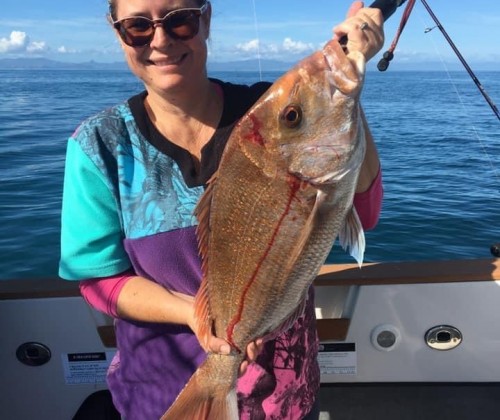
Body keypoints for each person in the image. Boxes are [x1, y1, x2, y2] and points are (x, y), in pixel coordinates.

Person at [59, 0, 384, 418]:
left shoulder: (262, 111)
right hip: (160, 396)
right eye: (137, 26)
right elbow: (96, 278)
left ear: (205, 19)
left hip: (284, 397)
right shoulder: (98, 144)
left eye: (180, 21)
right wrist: (199, 319)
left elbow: (366, 212)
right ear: (118, 33)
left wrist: (346, 92)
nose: (160, 41)